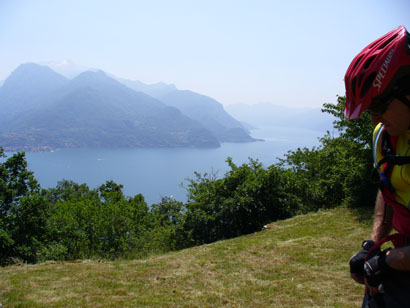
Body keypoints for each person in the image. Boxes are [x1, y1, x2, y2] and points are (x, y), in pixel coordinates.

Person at [344, 25, 410, 308]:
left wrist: (386, 260)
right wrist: (371, 245)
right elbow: (388, 187)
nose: (375, 120)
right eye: (370, 111)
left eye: (379, 106)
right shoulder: (384, 137)